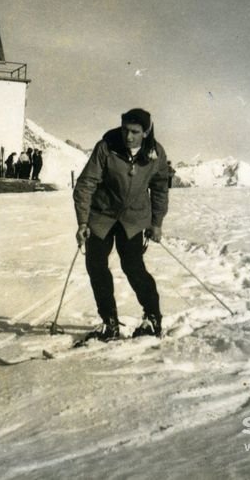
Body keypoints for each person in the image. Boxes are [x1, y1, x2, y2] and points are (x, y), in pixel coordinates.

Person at [73, 108, 169, 341]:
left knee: (133, 266)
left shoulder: (156, 153)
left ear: (145, 132)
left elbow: (159, 188)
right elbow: (86, 184)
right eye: (125, 129)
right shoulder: (106, 147)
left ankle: (153, 318)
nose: (128, 136)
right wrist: (83, 221)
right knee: (96, 265)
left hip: (133, 218)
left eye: (135, 132)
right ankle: (109, 323)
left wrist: (156, 223)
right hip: (102, 215)